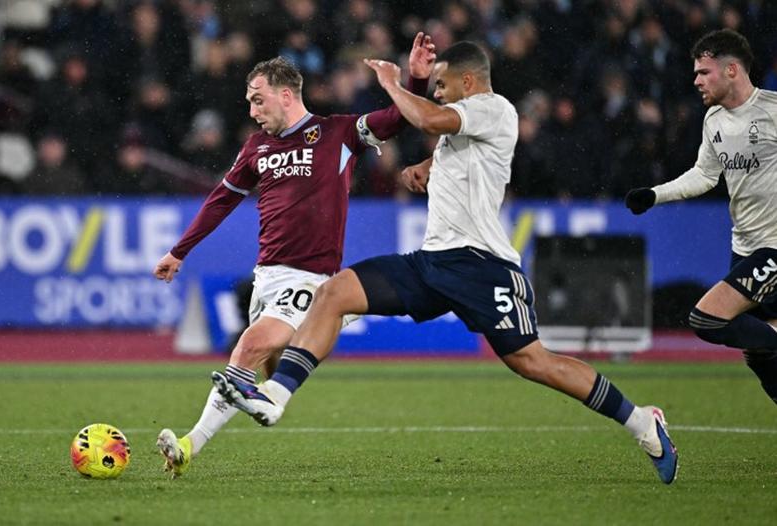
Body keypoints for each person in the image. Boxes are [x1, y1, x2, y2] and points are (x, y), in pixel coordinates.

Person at [217, 41, 679, 485]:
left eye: (442, 84)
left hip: (484, 266)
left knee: (534, 363)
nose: (436, 91)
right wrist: (426, 167)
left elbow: (430, 117)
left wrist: (394, 84)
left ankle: (641, 422)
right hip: (433, 262)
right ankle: (275, 396)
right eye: (434, 86)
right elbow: (452, 145)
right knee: (333, 293)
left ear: (469, 81)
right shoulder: (465, 125)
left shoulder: (495, 108)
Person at [152, 33, 437, 478]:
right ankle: (197, 443)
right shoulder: (256, 148)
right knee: (248, 367)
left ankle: (205, 435)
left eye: (258, 99)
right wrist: (179, 250)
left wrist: (416, 81)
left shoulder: (339, 133)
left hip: (310, 279)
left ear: (286, 95)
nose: (252, 110)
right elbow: (221, 200)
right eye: (249, 102)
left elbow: (397, 120)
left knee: (247, 347)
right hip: (266, 277)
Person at [625, 29, 777, 405]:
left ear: (731, 70)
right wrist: (655, 195)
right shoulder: (714, 121)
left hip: (773, 248)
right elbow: (706, 175)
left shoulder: (772, 111)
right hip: (743, 247)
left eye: (703, 72)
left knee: (707, 319)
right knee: (759, 353)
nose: (695, 80)